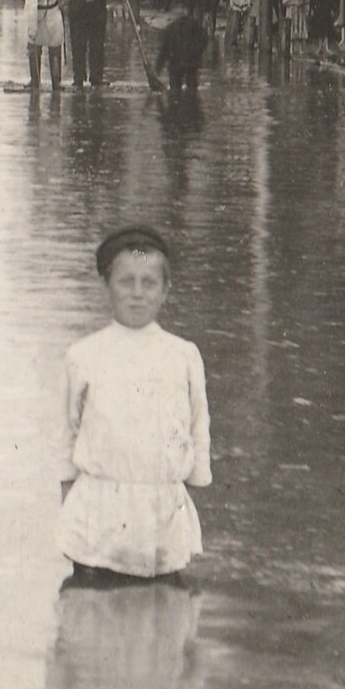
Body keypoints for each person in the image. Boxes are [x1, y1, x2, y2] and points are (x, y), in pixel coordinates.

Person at [57, 226, 212, 581]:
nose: (137, 294)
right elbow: (65, 434)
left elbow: (197, 425)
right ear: (106, 286)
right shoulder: (84, 355)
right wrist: (70, 509)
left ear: (165, 290)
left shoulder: (183, 354)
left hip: (162, 513)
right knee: (90, 616)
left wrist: (187, 491)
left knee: (162, 615)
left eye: (149, 283)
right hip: (98, 512)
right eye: (126, 282)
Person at [66, 0, 120, 88]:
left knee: (97, 47)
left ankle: (96, 78)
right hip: (79, 13)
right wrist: (67, 2)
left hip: (97, 14)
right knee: (78, 47)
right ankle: (78, 78)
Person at [25, 0, 72, 94]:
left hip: (53, 14)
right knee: (34, 48)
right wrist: (32, 28)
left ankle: (56, 82)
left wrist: (65, 0)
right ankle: (35, 80)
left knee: (55, 49)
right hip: (38, 16)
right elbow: (31, 5)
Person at [148, 0, 209, 94]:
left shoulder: (171, 28)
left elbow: (163, 51)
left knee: (177, 90)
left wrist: (158, 68)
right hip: (189, 64)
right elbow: (203, 41)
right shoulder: (195, 26)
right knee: (191, 90)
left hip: (179, 64)